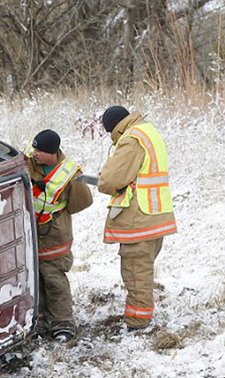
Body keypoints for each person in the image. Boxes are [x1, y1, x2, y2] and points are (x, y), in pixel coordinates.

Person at [98, 106, 177, 331]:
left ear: (114, 128)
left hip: (138, 219)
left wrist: (105, 175)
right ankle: (141, 317)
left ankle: (138, 322)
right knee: (143, 271)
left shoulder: (130, 140)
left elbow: (109, 181)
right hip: (155, 215)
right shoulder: (147, 131)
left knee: (135, 273)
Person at [24, 129, 93, 341]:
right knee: (34, 279)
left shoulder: (70, 174)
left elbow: (83, 201)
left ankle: (63, 322)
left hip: (54, 237)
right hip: (30, 235)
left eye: (40, 151)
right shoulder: (26, 160)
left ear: (52, 153)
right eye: (34, 148)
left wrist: (56, 213)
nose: (35, 153)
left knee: (54, 280)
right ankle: (40, 320)